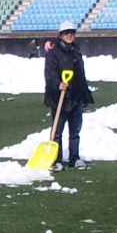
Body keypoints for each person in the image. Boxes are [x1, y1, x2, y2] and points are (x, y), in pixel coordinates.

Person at [43, 22, 94, 170]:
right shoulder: (53, 54)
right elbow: (49, 74)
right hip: (59, 98)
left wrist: (85, 95)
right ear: (60, 35)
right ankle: (56, 160)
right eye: (66, 33)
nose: (70, 35)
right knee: (57, 132)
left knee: (75, 132)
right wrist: (58, 84)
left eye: (72, 32)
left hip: (76, 97)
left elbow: (81, 75)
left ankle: (74, 158)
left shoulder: (76, 51)